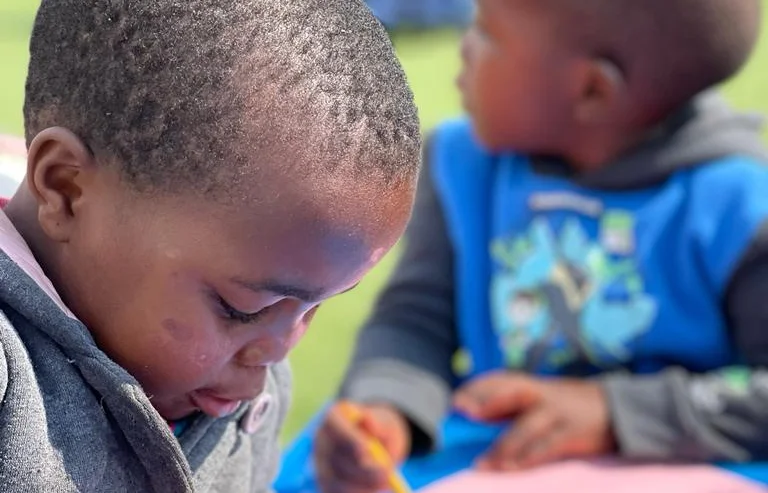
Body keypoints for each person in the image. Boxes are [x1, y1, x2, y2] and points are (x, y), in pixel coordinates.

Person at [275, 0, 768, 492]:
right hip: (491, 454)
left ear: (592, 90)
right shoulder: (463, 169)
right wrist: (388, 408)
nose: (464, 48)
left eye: (487, 32)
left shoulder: (739, 206)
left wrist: (615, 414)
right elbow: (415, 320)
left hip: (688, 463)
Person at [0, 0, 421, 491]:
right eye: (240, 310)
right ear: (66, 189)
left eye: (312, 308)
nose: (269, 365)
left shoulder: (244, 392)